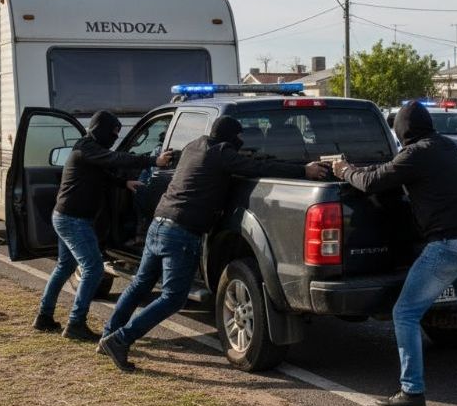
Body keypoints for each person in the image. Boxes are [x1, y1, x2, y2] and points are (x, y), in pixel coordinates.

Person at [98, 115, 328, 371]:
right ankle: (120, 340)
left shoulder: (193, 146)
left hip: (159, 224)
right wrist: (303, 170)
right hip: (181, 233)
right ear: (230, 138)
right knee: (173, 298)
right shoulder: (222, 154)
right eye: (238, 139)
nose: (240, 143)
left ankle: (108, 334)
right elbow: (257, 168)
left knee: (140, 284)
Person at [331, 101, 457, 406]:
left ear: (404, 130)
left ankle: (412, 391)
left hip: (447, 246)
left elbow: (373, 183)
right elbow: (390, 170)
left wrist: (345, 171)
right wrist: (363, 168)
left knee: (405, 313)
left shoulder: (415, 154)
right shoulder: (446, 146)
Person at [33, 110, 173, 341]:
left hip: (66, 216)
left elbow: (101, 173)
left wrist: (123, 182)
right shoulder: (86, 149)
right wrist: (153, 161)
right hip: (73, 220)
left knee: (65, 267)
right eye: (113, 133)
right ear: (101, 130)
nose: (114, 138)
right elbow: (115, 159)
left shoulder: (88, 148)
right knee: (94, 268)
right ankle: (76, 323)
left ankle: (44, 316)